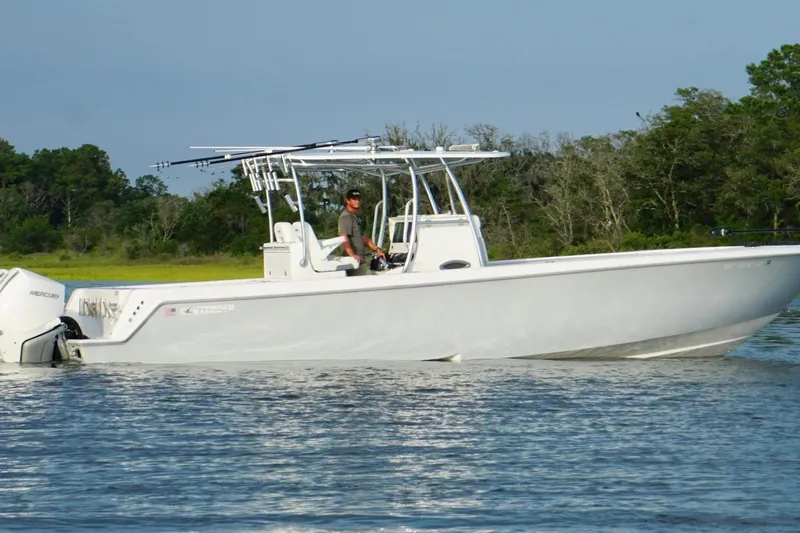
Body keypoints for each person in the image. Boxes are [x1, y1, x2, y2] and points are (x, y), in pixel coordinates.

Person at [338, 188, 386, 276]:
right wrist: (352, 255)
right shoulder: (346, 217)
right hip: (354, 263)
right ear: (347, 201)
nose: (357, 201)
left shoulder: (355, 217)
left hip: (361, 260)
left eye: (358, 199)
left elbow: (364, 238)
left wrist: (377, 249)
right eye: (354, 199)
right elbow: (343, 238)